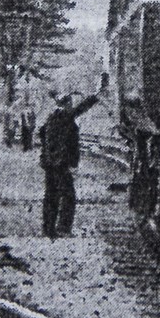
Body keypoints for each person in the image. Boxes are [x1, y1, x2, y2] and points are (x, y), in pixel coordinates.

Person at [38, 73, 108, 238]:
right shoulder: (64, 116)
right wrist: (96, 96)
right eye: (69, 103)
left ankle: (48, 229)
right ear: (66, 104)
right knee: (68, 196)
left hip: (50, 162)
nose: (71, 106)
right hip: (60, 163)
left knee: (51, 196)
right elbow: (80, 108)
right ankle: (63, 228)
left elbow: (42, 134)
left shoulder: (52, 118)